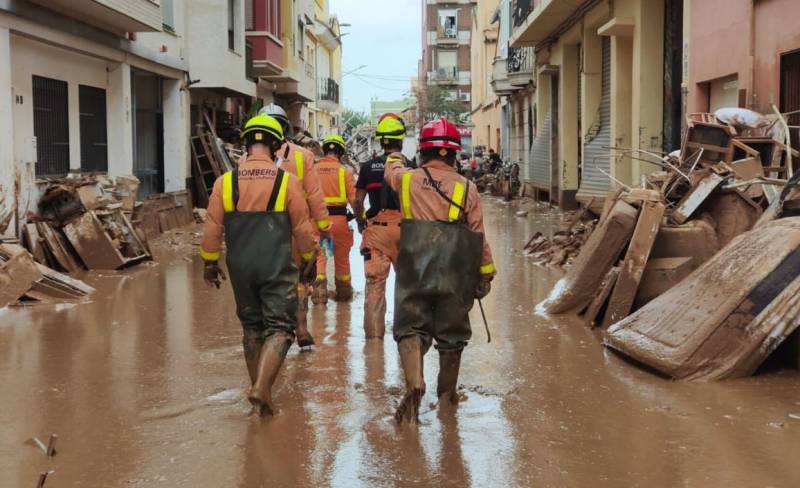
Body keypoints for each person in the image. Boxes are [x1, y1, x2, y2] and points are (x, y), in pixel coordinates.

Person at [201, 114, 317, 416]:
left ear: (245, 145)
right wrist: (309, 259)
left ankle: (259, 397)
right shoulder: (287, 182)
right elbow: (303, 228)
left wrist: (209, 263)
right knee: (280, 327)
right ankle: (262, 387)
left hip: (240, 266)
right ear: (277, 146)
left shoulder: (225, 183)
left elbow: (212, 228)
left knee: (251, 328)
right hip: (276, 265)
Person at [384, 117, 496, 424]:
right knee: (452, 337)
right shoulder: (468, 188)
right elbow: (478, 237)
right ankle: (447, 401)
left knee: (410, 327)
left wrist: (393, 151)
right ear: (454, 153)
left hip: (414, 268)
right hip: (454, 274)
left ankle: (414, 382)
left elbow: (391, 170)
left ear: (423, 151)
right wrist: (485, 274)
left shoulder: (405, 180)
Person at [256, 103, 330, 348]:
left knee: (269, 280)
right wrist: (323, 225)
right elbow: (314, 194)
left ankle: (272, 331)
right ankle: (300, 326)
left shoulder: (248, 158)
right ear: (285, 126)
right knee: (299, 278)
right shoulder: (303, 155)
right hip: (297, 227)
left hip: (263, 231)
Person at [352, 113, 407, 339]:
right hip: (405, 231)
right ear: (401, 141)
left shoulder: (366, 168)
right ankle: (407, 340)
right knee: (406, 287)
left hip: (376, 231)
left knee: (374, 287)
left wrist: (361, 221)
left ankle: (373, 347)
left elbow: (357, 201)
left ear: (380, 140)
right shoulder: (410, 167)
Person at [312, 134, 357, 303]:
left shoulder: (313, 170)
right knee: (342, 258)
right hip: (339, 222)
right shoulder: (345, 172)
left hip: (318, 221)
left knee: (320, 256)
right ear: (340, 152)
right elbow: (354, 201)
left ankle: (319, 296)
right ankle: (344, 297)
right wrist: (362, 219)